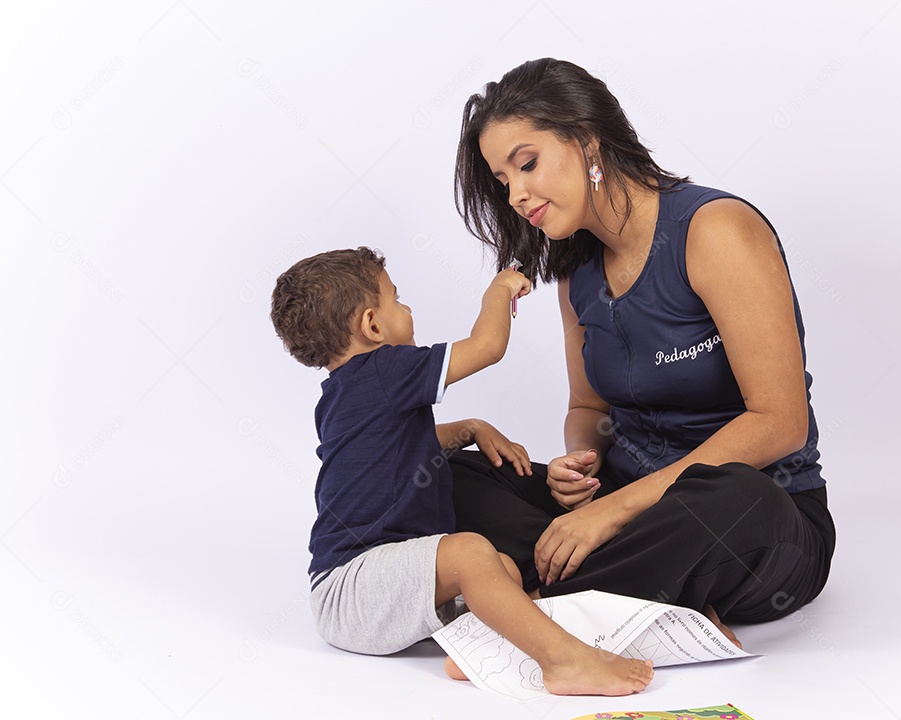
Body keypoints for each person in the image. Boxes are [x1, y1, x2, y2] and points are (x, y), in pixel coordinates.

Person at [450, 58, 836, 632]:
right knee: (449, 472)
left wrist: (616, 510)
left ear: (587, 142)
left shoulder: (715, 229)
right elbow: (588, 409)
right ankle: (644, 595)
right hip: (629, 511)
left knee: (733, 499)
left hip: (752, 516)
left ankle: (532, 617)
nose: (517, 196)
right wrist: (581, 468)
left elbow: (781, 422)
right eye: (504, 183)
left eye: (527, 165)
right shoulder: (573, 268)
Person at [269, 246, 653, 696]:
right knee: (471, 553)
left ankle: (474, 651)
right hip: (352, 586)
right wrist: (500, 290)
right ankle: (564, 661)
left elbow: (401, 447)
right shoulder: (385, 369)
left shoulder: (341, 394)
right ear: (372, 325)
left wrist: (472, 427)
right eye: (397, 299)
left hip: (366, 589)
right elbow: (488, 347)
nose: (408, 308)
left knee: (503, 569)